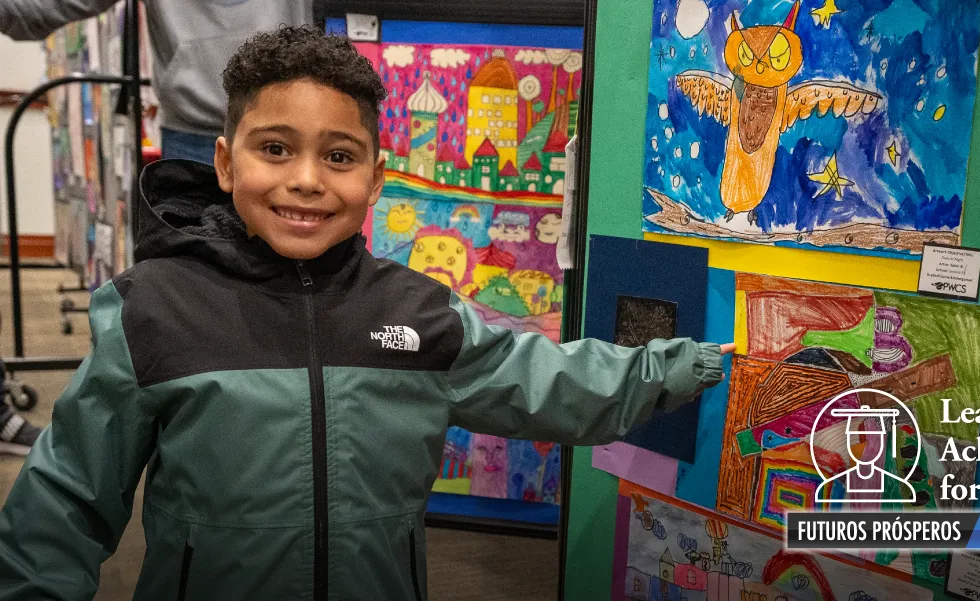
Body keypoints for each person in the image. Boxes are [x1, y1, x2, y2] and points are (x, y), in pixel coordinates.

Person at [0, 26, 731, 600]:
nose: (307, 180)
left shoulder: (418, 312)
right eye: (276, 149)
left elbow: (547, 380)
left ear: (376, 176)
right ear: (226, 164)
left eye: (339, 156)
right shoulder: (152, 309)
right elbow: (66, 496)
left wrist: (683, 364)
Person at [0, 0, 311, 163]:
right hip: (193, 136)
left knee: (297, 272)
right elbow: (38, 9)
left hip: (295, 131)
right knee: (191, 273)